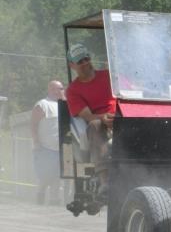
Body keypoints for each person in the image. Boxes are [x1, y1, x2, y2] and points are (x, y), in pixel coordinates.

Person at [65, 43, 116, 196]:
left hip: (122, 117)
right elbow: (87, 116)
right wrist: (105, 118)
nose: (85, 63)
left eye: (86, 58)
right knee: (94, 124)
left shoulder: (109, 76)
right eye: (80, 61)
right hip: (100, 124)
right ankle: (104, 179)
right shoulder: (73, 90)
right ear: (72, 65)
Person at [30, 80, 65, 205]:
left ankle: (53, 202)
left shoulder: (65, 105)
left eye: (61, 88)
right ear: (50, 89)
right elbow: (33, 125)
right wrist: (36, 142)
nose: (60, 91)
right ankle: (39, 200)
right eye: (57, 88)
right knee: (45, 177)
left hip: (60, 148)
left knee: (57, 177)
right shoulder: (42, 104)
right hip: (45, 148)